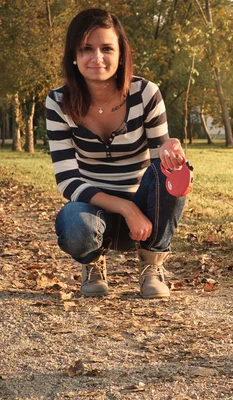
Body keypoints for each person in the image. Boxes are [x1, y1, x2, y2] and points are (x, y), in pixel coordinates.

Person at [45, 8, 187, 299]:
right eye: (86, 49)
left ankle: (152, 264)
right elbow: (68, 182)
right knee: (73, 222)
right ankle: (93, 261)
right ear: (74, 55)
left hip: (146, 214)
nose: (97, 58)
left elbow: (162, 159)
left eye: (106, 48)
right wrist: (125, 208)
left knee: (175, 171)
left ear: (121, 52)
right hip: (94, 212)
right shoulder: (58, 102)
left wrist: (172, 153)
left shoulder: (146, 93)